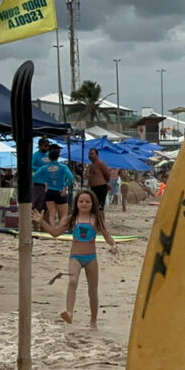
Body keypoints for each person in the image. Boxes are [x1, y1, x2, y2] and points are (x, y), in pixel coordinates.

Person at [32, 190, 119, 328]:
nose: (84, 204)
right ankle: (69, 313)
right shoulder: (72, 219)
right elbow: (55, 233)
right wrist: (42, 222)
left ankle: (93, 321)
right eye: (81, 201)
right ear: (76, 203)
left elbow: (107, 236)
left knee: (93, 291)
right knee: (72, 281)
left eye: (87, 201)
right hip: (75, 257)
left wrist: (113, 245)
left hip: (91, 258)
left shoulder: (96, 219)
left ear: (93, 203)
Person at [34, 146, 75, 229]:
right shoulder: (63, 167)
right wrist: (65, 186)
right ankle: (60, 229)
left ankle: (52, 229)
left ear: (49, 157)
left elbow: (34, 176)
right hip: (60, 191)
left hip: (49, 191)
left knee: (52, 213)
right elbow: (71, 177)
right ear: (58, 157)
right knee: (64, 214)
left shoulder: (44, 168)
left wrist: (44, 182)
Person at [31, 137, 51, 214]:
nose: (47, 147)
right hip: (38, 184)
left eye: (48, 146)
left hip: (48, 184)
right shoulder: (35, 155)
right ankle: (34, 224)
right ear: (40, 146)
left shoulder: (48, 155)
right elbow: (31, 166)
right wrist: (41, 169)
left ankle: (42, 224)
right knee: (35, 205)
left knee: (44, 206)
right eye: (45, 146)